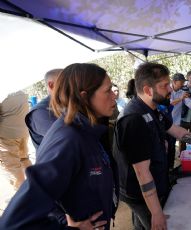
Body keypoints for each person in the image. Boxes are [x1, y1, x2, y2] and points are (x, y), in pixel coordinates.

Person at [0, 63, 119, 229]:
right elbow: (13, 223)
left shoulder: (87, 129)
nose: (114, 96)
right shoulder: (68, 138)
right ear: (84, 97)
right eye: (107, 91)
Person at [113, 63, 191, 230]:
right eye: (164, 86)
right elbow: (142, 172)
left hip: (155, 183)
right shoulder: (133, 118)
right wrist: (156, 212)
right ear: (148, 90)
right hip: (140, 193)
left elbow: (175, 130)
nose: (170, 89)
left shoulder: (155, 108)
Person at [0, 91, 30, 192]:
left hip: (6, 137)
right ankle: (37, 185)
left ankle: (22, 195)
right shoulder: (19, 92)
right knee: (24, 158)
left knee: (13, 168)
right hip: (23, 132)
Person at [25, 68, 62, 150]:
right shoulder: (40, 112)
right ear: (51, 85)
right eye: (67, 82)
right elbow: (65, 138)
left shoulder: (66, 103)